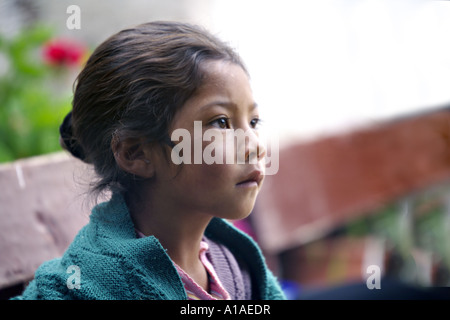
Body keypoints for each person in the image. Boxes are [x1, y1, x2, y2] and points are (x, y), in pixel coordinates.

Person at [12, 21, 285, 300]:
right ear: (136, 153)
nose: (255, 146)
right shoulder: (82, 287)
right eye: (221, 122)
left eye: (253, 122)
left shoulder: (238, 266)